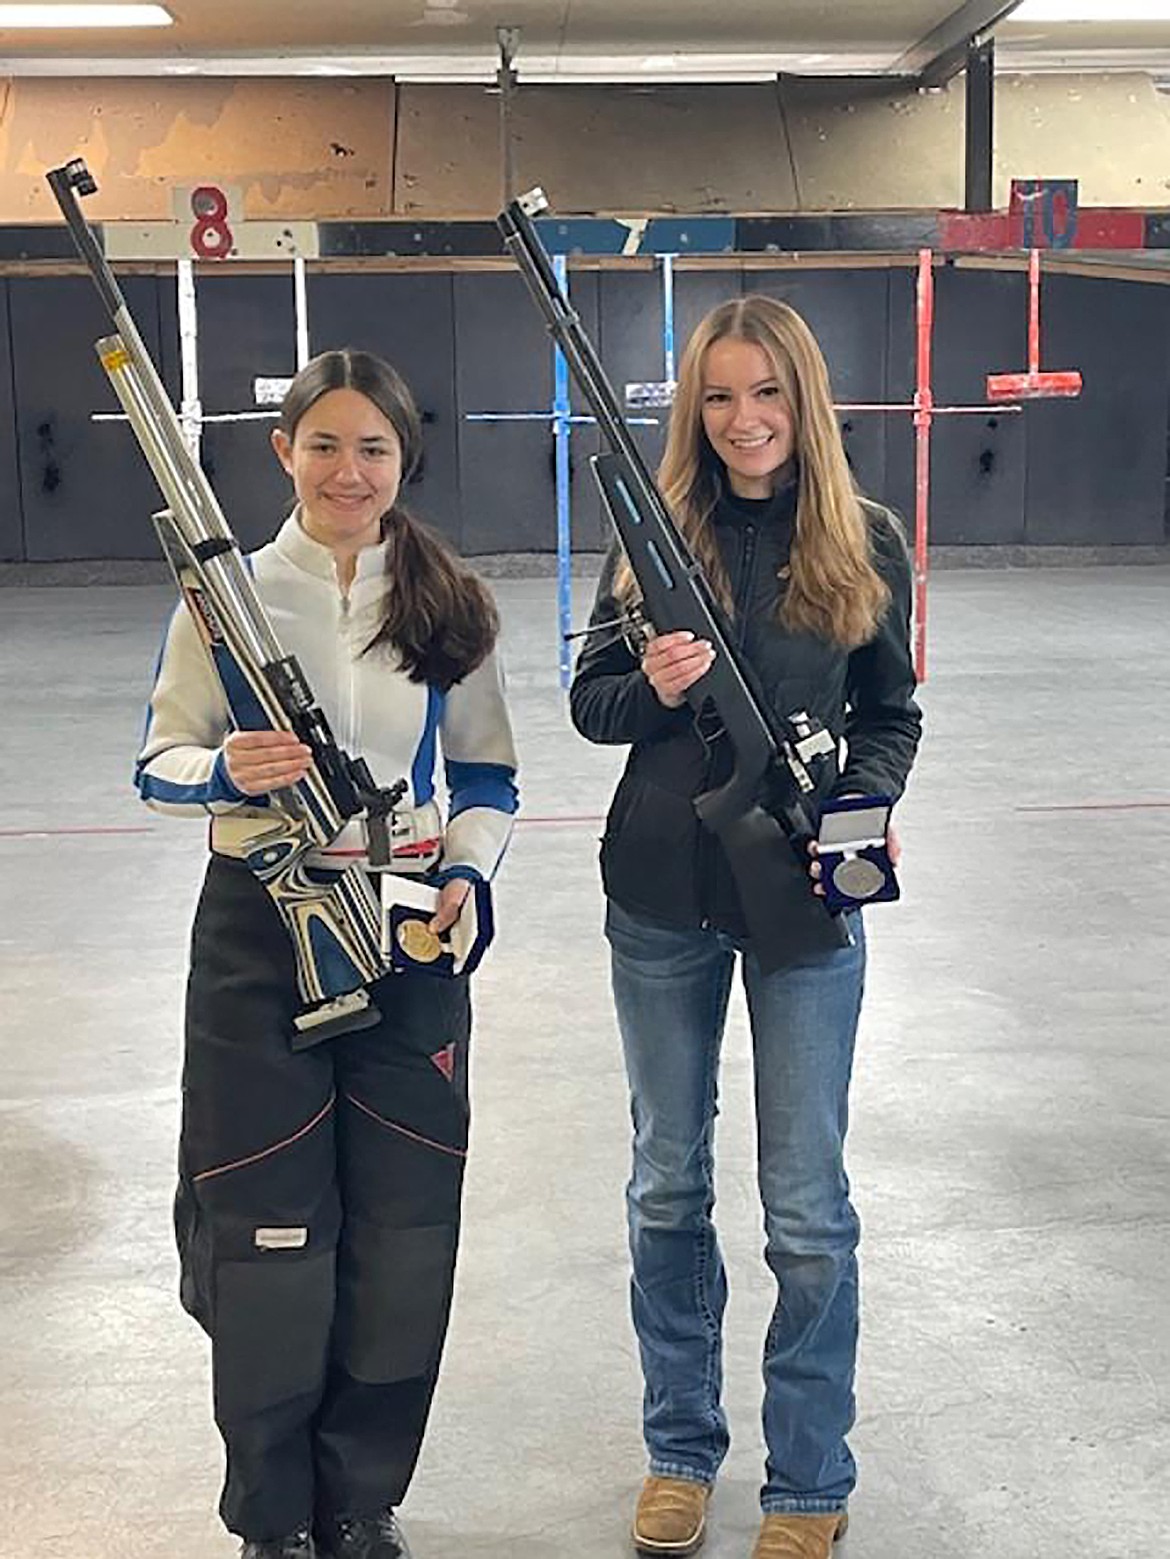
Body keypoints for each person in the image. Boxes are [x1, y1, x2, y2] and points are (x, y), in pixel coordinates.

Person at [136, 349, 519, 1559]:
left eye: (374, 450)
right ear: (282, 451)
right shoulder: (223, 598)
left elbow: (491, 775)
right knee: (266, 1237)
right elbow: (158, 760)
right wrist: (222, 767)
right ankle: (272, 1516)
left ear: (405, 462)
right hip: (258, 932)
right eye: (324, 445)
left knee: (404, 1235)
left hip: (405, 936)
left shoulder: (447, 602)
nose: (348, 472)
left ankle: (361, 1500)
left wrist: (465, 874)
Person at [570, 295, 922, 1559]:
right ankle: (679, 1448)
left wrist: (860, 816)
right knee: (668, 1178)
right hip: (661, 892)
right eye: (718, 396)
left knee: (806, 1204)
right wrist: (648, 689)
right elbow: (590, 702)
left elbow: (892, 711)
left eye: (765, 392)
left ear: (804, 402)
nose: (743, 420)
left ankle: (809, 1480)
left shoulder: (863, 538)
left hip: (801, 903)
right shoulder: (655, 535)